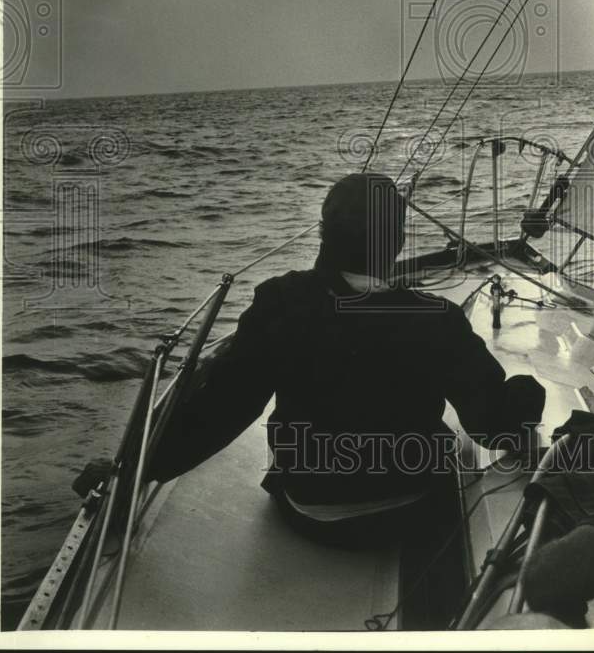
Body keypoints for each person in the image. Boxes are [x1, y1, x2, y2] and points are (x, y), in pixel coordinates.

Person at [144, 172, 545, 626]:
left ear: (323, 234)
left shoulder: (278, 303)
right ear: (395, 241)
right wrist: (528, 394)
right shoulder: (439, 320)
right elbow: (493, 426)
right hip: (415, 506)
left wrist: (141, 471)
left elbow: (225, 409)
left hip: (311, 508)